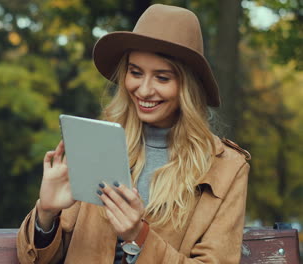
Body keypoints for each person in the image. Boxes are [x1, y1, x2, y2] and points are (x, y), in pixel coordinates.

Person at [17, 4, 251, 264]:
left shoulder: (227, 167)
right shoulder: (97, 142)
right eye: (135, 72)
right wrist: (46, 215)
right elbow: (37, 260)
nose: (144, 90)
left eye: (162, 78)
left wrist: (138, 237)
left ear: (188, 86)